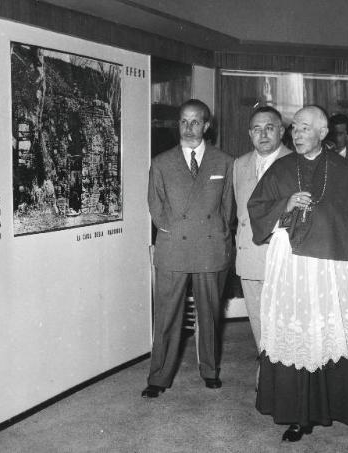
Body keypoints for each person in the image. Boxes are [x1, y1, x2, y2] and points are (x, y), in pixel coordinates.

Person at [248, 106, 348, 442]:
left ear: (323, 133)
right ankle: (298, 413)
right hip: (290, 263)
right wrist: (286, 205)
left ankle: (335, 405)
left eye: (305, 128)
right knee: (298, 330)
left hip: (329, 266)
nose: (297, 134)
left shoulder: (345, 170)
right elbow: (257, 208)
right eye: (295, 129)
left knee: (325, 329)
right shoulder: (281, 167)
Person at [142, 99, 234, 398]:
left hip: (210, 246)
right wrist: (172, 228)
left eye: (196, 121)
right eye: (184, 121)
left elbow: (227, 208)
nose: (189, 127)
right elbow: (155, 205)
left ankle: (209, 370)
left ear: (207, 125)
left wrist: (216, 234)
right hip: (174, 246)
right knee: (167, 315)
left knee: (209, 313)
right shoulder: (162, 161)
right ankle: (158, 377)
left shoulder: (223, 161)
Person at [233, 106, 291, 351]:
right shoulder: (239, 164)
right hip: (249, 256)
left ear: (281, 131)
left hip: (283, 258)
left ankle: (284, 376)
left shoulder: (294, 162)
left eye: (269, 128)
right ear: (249, 133)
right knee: (258, 320)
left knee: (285, 321)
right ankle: (265, 370)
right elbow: (239, 211)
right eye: (257, 129)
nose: (263, 134)